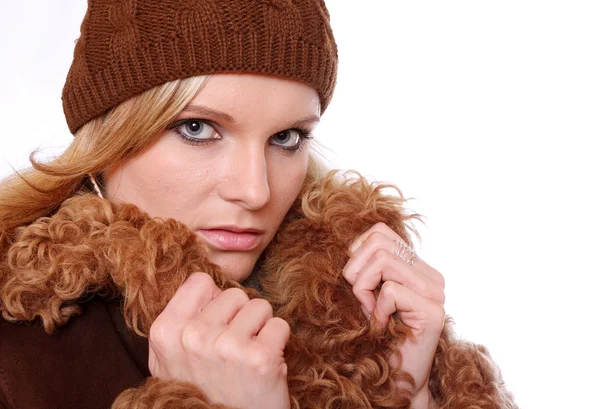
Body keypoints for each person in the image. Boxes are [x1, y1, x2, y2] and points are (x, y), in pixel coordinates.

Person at [0, 1, 517, 408]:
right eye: (197, 128)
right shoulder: (20, 361)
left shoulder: (353, 311)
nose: (256, 191)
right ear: (110, 140)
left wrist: (405, 394)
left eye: (287, 137)